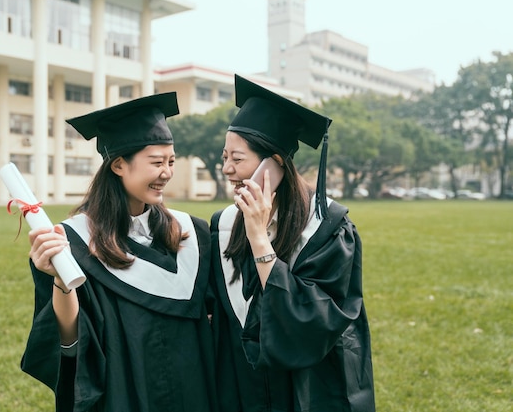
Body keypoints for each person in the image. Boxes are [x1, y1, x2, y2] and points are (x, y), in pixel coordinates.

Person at [21, 92, 217, 412]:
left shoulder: (193, 233)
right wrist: (60, 280)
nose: (167, 172)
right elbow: (72, 342)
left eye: (171, 161)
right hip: (124, 392)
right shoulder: (72, 241)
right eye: (156, 162)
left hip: (193, 387)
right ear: (118, 165)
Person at [210, 75, 375, 412]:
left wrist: (258, 237)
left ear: (275, 163)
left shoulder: (327, 227)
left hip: (310, 382)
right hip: (244, 381)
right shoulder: (224, 223)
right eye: (225, 157)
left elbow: (317, 317)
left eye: (237, 159)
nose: (227, 169)